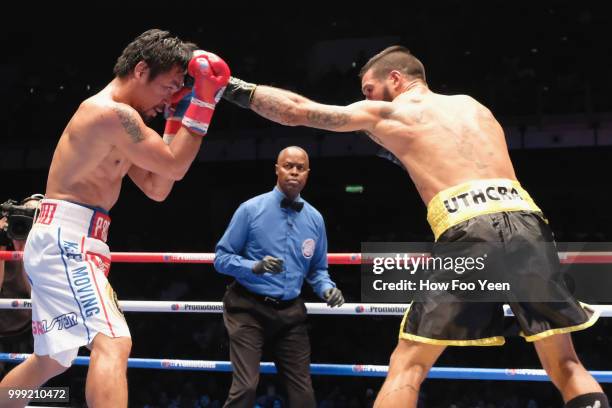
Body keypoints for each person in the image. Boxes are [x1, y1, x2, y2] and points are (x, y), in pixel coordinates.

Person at [220, 46, 608, 408]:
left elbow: (298, 111)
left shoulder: (391, 113)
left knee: (408, 364)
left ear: (395, 80)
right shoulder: (473, 107)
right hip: (528, 223)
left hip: (469, 230)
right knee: (565, 363)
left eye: (370, 90)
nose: (369, 99)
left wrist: (230, 88)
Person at [0, 29, 230, 408]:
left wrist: (174, 120)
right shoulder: (111, 114)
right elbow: (175, 164)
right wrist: (202, 104)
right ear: (141, 70)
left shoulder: (122, 124)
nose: (170, 97)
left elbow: (159, 186)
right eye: (168, 87)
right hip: (67, 241)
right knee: (114, 341)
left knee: (52, 360)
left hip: (71, 239)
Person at [214, 146, 345, 408]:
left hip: (290, 314)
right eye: (288, 166)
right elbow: (222, 259)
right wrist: (255, 266)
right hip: (247, 308)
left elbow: (318, 270)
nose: (294, 172)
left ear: (307, 173)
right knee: (246, 387)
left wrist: (327, 288)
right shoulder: (250, 210)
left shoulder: (315, 219)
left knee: (303, 395)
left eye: (300, 167)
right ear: (277, 169)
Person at [0, 195, 42, 337]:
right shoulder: (5, 236)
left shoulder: (50, 250)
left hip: (28, 330)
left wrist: (25, 251)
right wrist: (1, 245)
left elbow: (34, 296)